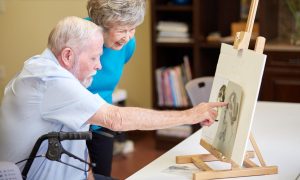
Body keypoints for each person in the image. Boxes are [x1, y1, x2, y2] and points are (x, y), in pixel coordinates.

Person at [0, 16, 226, 180]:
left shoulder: (51, 69)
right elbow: (116, 119)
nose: (99, 65)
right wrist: (192, 114)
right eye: (94, 58)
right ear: (68, 55)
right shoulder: (49, 79)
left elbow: (76, 137)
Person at [85, 0, 146, 176]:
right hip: (73, 122)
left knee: (102, 175)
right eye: (121, 30)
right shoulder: (78, 37)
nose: (127, 37)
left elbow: (109, 77)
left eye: (132, 28)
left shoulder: (128, 45)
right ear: (100, 25)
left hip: (103, 119)